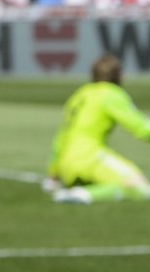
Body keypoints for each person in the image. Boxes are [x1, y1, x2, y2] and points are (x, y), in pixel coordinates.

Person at [45, 53, 150, 204]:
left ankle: (79, 190)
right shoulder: (112, 94)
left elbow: (61, 135)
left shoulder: (80, 94)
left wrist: (53, 172)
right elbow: (142, 129)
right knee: (140, 187)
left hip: (65, 165)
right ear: (118, 76)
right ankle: (83, 194)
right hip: (89, 157)